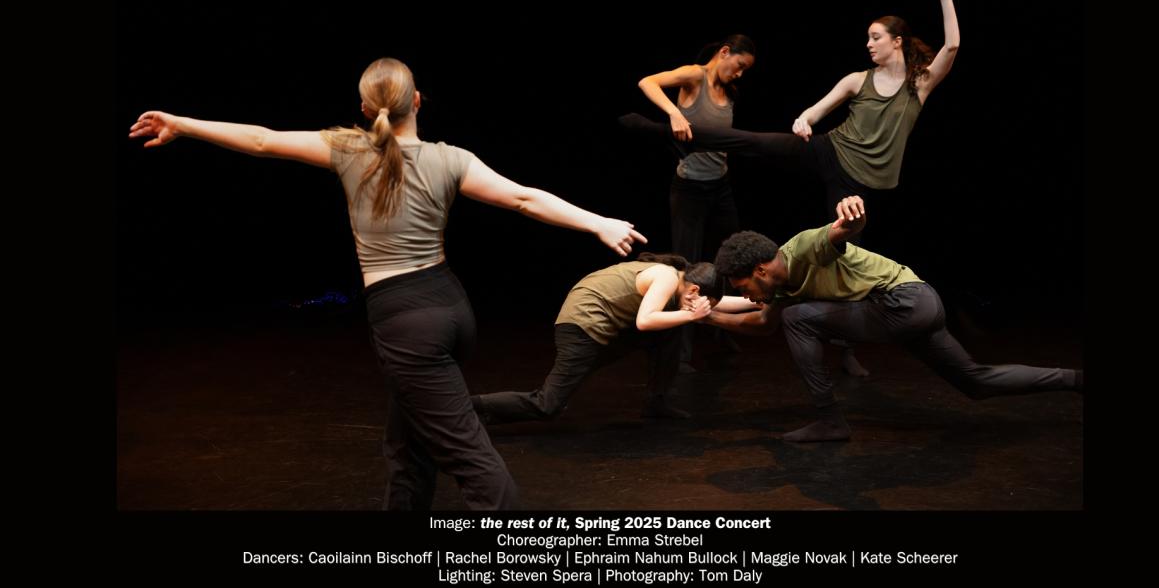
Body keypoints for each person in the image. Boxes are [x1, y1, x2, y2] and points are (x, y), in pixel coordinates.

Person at [129, 57, 649, 510]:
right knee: (408, 447)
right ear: (418, 100)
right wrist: (596, 221)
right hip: (449, 307)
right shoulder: (451, 158)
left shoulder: (348, 149)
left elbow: (263, 140)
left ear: (363, 109)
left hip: (406, 325)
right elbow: (522, 197)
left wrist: (185, 124)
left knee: (472, 459)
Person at [620, 0, 960, 376]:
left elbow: (952, 48)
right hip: (828, 150)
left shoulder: (918, 85)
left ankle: (846, 351)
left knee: (843, 263)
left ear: (897, 42)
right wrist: (804, 120)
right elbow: (817, 109)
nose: (868, 44)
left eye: (875, 38)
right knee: (752, 141)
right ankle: (657, 129)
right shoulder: (858, 79)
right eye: (868, 37)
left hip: (859, 182)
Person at [702, 195, 1082, 442]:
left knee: (799, 318)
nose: (746, 295)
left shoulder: (802, 247)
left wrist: (854, 213)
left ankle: (831, 420)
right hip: (912, 309)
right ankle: (1075, 380)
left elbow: (843, 230)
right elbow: (761, 323)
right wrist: (705, 317)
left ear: (762, 269)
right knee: (975, 381)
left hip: (905, 302)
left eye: (744, 285)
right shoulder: (781, 289)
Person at [472, 253, 719, 424]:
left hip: (602, 326)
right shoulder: (667, 277)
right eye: (702, 300)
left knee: (668, 329)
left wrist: (758, 302)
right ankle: (469, 408)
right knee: (548, 405)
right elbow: (645, 321)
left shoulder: (679, 281)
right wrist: (690, 316)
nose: (699, 307)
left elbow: (720, 305)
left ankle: (657, 401)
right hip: (582, 327)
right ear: (695, 289)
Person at [635, 34, 757, 370]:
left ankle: (720, 330)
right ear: (725, 52)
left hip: (721, 188)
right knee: (686, 267)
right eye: (740, 66)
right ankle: (681, 349)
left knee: (729, 259)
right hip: (689, 189)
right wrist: (674, 113)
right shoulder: (695, 75)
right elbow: (647, 82)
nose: (740, 74)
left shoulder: (729, 91)